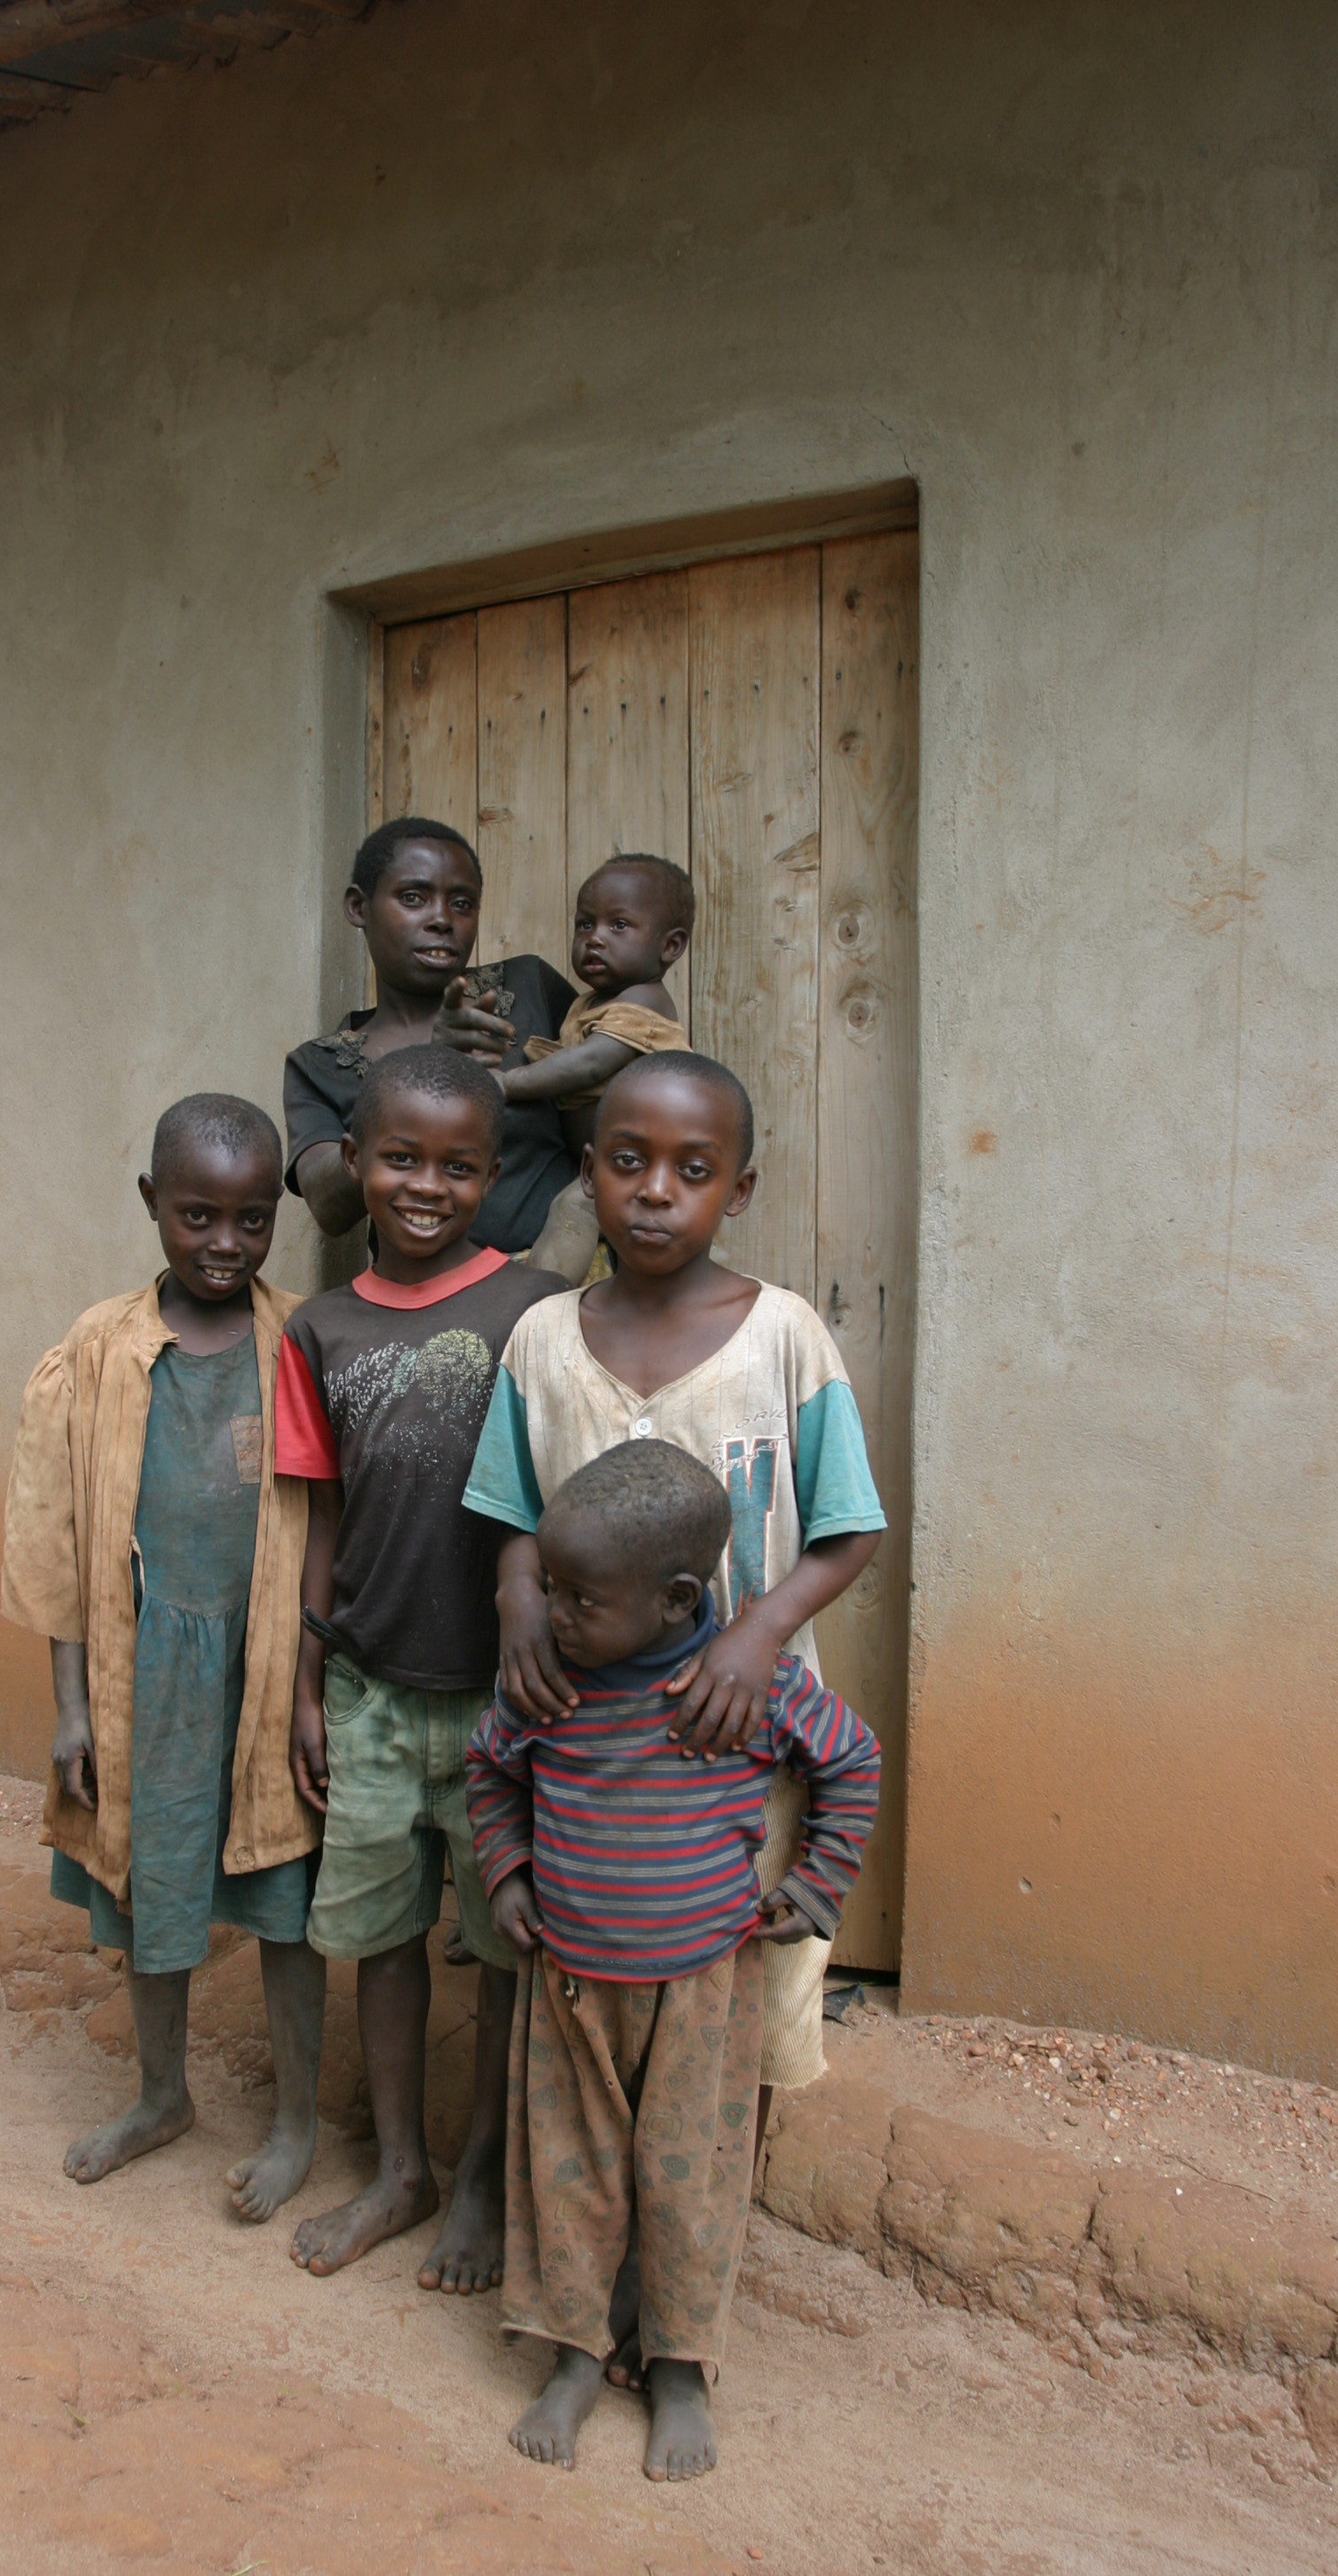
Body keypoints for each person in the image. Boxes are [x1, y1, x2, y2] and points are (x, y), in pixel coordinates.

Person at [462, 1050, 886, 2225]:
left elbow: (851, 1531)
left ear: (737, 1191)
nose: (655, 1190)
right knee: (588, 1993)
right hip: (590, 1759)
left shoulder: (785, 1339)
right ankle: (590, 2242)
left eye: (691, 1171)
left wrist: (759, 1636)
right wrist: (517, 1606)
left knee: (739, 2015)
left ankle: (696, 2255)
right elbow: (503, 1510)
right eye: (629, 1162)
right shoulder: (544, 1340)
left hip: (743, 1747)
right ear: (588, 1173)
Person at [468, 1439, 880, 2481]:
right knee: (569, 2174)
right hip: (568, 1986)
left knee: (687, 2179)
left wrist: (816, 1887)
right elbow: (488, 1771)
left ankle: (679, 2368)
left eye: (576, 1598)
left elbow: (852, 1764)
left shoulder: (741, 1689)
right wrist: (508, 1873)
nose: (549, 1613)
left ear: (675, 1600)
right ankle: (569, 2355)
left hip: (703, 1985)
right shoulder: (551, 1686)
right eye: (548, 1588)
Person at [0, 1094, 327, 2222]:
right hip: (147, 1674)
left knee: (284, 1895)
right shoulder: (95, 1353)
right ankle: (159, 2096)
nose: (223, 1246)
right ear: (152, 1204)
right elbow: (53, 1545)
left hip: (271, 1665)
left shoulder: (301, 1343)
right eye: (196, 1217)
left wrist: (312, 1686)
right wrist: (71, 1706)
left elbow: (329, 1525)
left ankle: (295, 2125)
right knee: (150, 1882)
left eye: (249, 1221)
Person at [273, 1043, 566, 2289]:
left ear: (491, 1177)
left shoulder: (537, 1312)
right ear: (353, 1163)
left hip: (505, 1705)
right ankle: (401, 2167)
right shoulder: (319, 1326)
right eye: (400, 1159)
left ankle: (485, 2183)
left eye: (457, 1167)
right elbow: (320, 1517)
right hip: (373, 1689)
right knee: (383, 1940)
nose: (426, 1186)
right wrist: (304, 1682)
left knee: (504, 1954)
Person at [282, 815, 587, 1271]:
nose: (442, 919)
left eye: (462, 904)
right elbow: (329, 1207)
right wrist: (432, 1063)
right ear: (358, 908)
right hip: (421, 1306)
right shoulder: (322, 1064)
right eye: (412, 898)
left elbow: (604, 1126)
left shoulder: (529, 990)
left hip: (561, 1287)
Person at [506, 853, 692, 1277]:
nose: (595, 938)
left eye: (619, 925)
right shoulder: (589, 1004)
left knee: (573, 1210)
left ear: (670, 946)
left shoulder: (646, 1000)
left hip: (641, 1163)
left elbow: (589, 1064)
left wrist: (508, 1083)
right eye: (585, 924)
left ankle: (541, 1306)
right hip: (609, 1161)